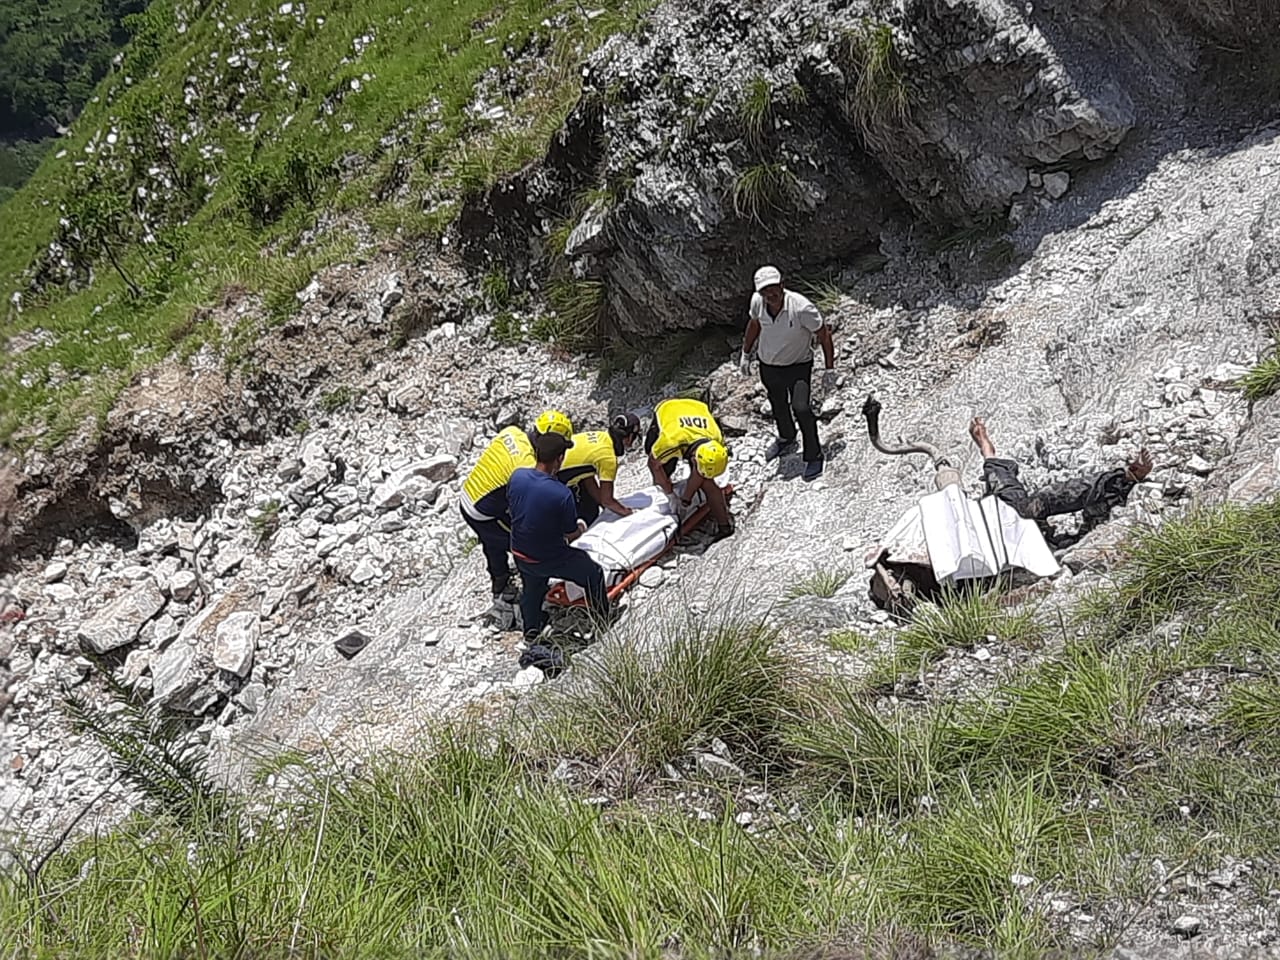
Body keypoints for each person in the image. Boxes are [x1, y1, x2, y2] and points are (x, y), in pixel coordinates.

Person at [969, 417, 1154, 546]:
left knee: (1028, 499)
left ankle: (1122, 480)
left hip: (1003, 517)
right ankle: (988, 453)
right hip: (988, 544)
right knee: (1011, 495)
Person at [459, 409, 574, 601]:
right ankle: (534, 592)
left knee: (492, 542)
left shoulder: (512, 432)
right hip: (484, 512)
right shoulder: (528, 467)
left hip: (468, 496)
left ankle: (500, 578)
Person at [509, 430, 612, 640]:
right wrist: (582, 527)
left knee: (532, 589)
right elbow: (571, 533)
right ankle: (602, 621)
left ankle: (531, 629)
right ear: (559, 459)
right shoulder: (561, 493)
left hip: (519, 552)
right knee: (594, 574)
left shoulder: (517, 477)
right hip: (549, 557)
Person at [740, 264, 837, 481]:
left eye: (774, 288)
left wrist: (829, 369)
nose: (770, 294)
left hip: (798, 365)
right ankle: (786, 436)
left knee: (801, 408)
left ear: (783, 285)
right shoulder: (758, 303)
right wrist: (746, 353)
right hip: (769, 364)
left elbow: (823, 334)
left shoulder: (802, 308)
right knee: (777, 402)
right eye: (765, 290)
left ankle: (813, 455)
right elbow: (754, 325)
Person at [645, 397, 734, 540]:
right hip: (667, 409)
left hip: (697, 408)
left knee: (707, 482)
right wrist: (670, 495)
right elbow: (653, 464)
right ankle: (662, 507)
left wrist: (686, 499)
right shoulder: (670, 441)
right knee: (664, 468)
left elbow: (702, 474)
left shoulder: (717, 440)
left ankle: (725, 526)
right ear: (694, 458)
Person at [556, 414, 644, 525]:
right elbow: (607, 500)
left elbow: (587, 475)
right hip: (553, 480)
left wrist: (603, 504)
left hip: (549, 468)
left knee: (591, 507)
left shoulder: (600, 436)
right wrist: (630, 514)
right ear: (629, 437)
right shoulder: (608, 458)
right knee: (583, 518)